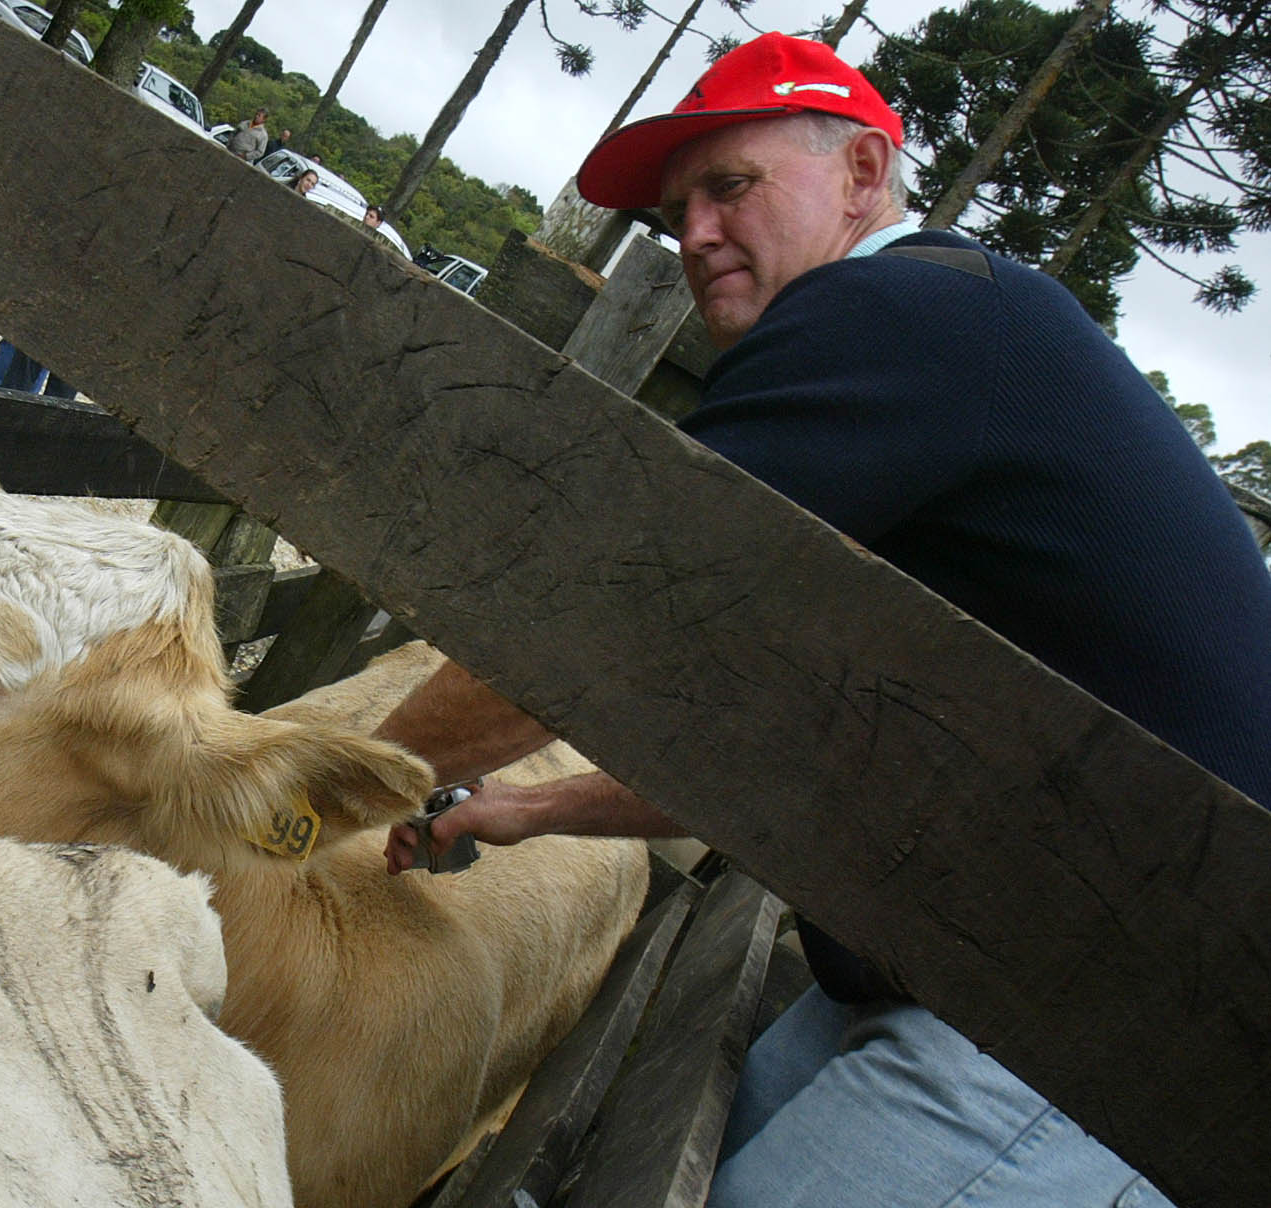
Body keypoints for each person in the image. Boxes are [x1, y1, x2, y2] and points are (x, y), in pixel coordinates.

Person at [377, 30, 1271, 1208]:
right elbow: (820, 740)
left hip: (1121, 1017)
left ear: (863, 173)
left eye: (729, 185)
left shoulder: (893, 314)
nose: (693, 232)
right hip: (982, 966)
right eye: (675, 209)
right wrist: (533, 805)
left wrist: (321, 784)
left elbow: (601, 603)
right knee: (628, 1149)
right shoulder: (946, 354)